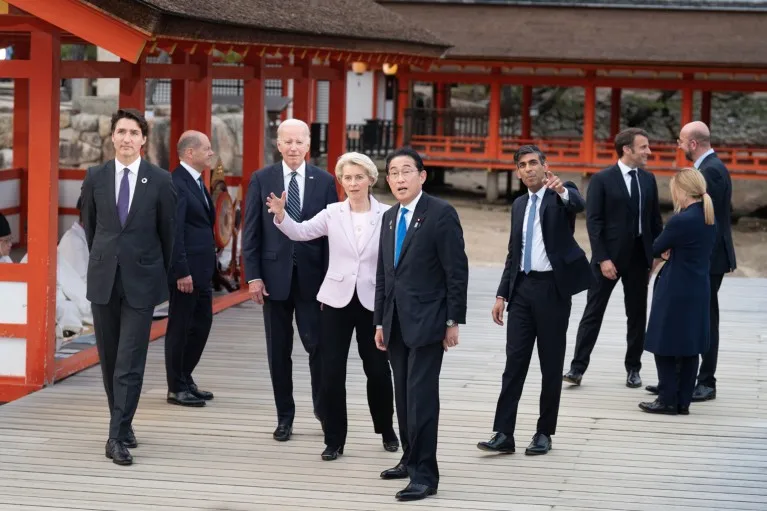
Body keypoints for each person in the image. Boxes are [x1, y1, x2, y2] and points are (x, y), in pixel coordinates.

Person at [267, 152, 398, 461]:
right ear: (341, 182)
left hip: (372, 301)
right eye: (347, 178)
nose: (353, 183)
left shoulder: (388, 215)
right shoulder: (332, 213)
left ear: (370, 179)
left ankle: (386, 428)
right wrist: (282, 215)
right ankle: (334, 439)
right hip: (336, 299)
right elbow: (301, 233)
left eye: (358, 177)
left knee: (378, 371)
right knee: (331, 372)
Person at [477, 145, 591, 456]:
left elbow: (578, 204)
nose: (528, 169)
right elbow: (513, 254)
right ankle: (503, 433)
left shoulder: (560, 192)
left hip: (553, 289)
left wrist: (563, 191)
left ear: (544, 166)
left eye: (533, 163)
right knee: (514, 364)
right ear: (517, 171)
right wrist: (502, 293)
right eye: (522, 165)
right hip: (522, 290)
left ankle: (544, 432)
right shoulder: (517, 205)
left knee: (550, 365)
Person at [80, 108, 176, 466]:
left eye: (133, 133)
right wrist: (107, 260)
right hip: (104, 279)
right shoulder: (95, 177)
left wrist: (154, 274)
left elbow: (169, 235)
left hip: (142, 281)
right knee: (108, 359)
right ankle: (123, 421)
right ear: (112, 136)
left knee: (130, 360)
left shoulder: (161, 180)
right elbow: (92, 229)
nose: (126, 139)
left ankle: (116, 436)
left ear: (144, 139)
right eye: (121, 132)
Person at [374, 147, 468, 502]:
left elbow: (456, 271)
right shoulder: (388, 217)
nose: (399, 178)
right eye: (393, 173)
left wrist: (452, 320)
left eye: (406, 171)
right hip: (394, 321)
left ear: (422, 176)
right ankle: (410, 457)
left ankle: (425, 475)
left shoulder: (441, 213)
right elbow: (384, 274)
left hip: (429, 320)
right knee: (403, 395)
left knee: (422, 398)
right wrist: (379, 321)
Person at [242, 118, 338, 441]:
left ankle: (323, 412)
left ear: (309, 145)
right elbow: (251, 233)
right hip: (273, 279)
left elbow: (330, 236)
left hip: (314, 280)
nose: (294, 147)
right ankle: (285, 416)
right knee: (278, 352)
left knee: (319, 349)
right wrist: (253, 276)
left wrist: (331, 281)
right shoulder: (261, 179)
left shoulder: (324, 181)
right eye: (288, 141)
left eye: (300, 142)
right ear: (278, 145)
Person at [564, 128, 663, 388]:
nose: (648, 152)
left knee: (637, 315)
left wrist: (657, 254)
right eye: (643, 147)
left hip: (640, 259)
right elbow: (594, 223)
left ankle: (633, 368)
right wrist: (603, 258)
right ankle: (577, 367)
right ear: (626, 149)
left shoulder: (648, 179)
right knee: (593, 312)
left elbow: (654, 221)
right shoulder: (602, 179)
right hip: (607, 259)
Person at [645, 122, 735, 403]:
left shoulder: (712, 171)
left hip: (707, 258)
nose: (678, 145)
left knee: (703, 319)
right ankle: (674, 382)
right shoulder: (709, 168)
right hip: (699, 256)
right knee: (690, 317)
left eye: (681, 141)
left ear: (693, 143)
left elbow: (709, 221)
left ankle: (705, 381)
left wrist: (683, 246)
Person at [639, 168, 716, 415]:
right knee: (689, 345)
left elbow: (656, 247)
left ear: (681, 190)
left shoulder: (681, 219)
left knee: (664, 344)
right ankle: (683, 401)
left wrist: (665, 251)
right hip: (698, 286)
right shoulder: (708, 217)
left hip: (675, 287)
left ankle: (666, 400)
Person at [164, 131, 217, 407]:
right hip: (187, 273)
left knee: (201, 324)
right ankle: (176, 386)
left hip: (203, 270)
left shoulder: (197, 181)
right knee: (181, 327)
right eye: (206, 149)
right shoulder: (177, 183)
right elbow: (175, 232)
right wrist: (181, 270)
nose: (211, 153)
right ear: (189, 154)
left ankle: (186, 376)